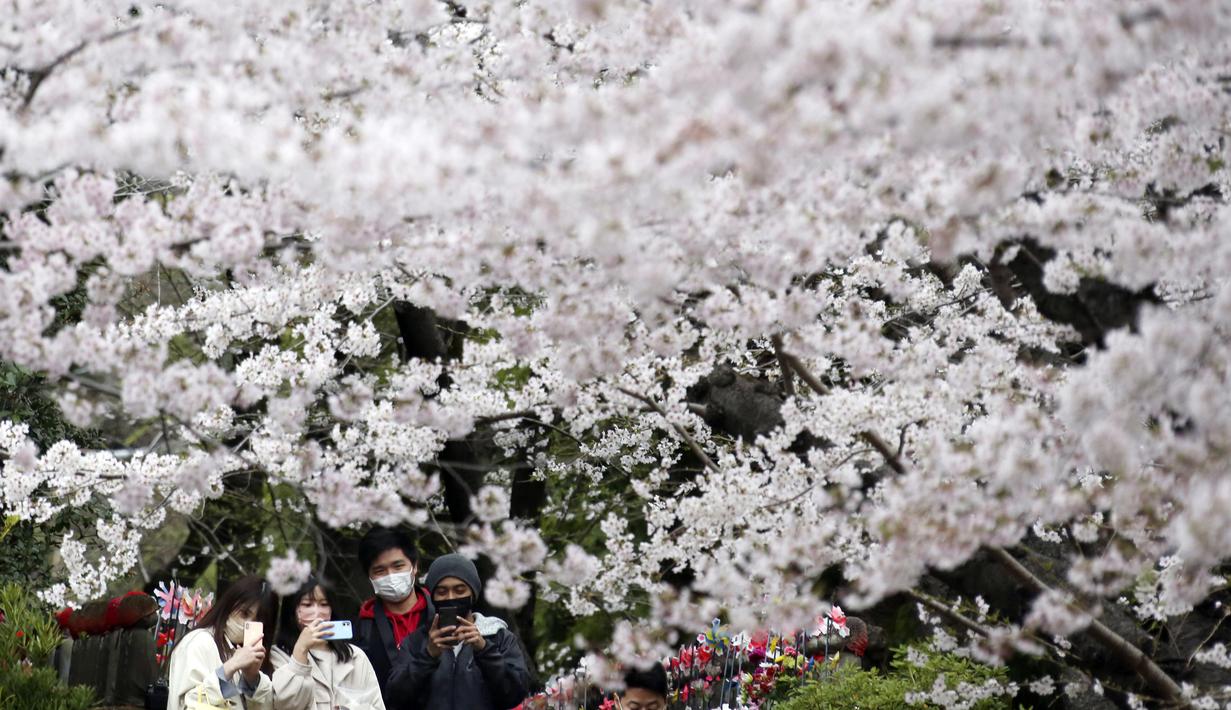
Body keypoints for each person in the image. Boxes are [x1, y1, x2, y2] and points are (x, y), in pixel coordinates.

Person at [386, 553, 531, 710]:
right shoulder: (417, 641)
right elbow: (395, 698)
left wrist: (484, 650)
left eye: (460, 590)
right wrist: (428, 656)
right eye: (442, 592)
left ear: (473, 594)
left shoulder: (500, 638)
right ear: (433, 596)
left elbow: (515, 693)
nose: (451, 597)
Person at [270, 576, 385, 710]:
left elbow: (377, 706)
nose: (317, 612)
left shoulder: (356, 656)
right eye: (307, 604)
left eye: (324, 604)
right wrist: (301, 649)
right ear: (291, 610)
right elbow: (287, 704)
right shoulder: (278, 656)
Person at [168, 575, 275, 710]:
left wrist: (252, 679)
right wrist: (229, 668)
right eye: (244, 613)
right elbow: (189, 705)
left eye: (258, 620)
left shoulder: (239, 651)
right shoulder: (199, 642)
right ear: (229, 605)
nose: (248, 624)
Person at [354, 527, 434, 699]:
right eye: (380, 570)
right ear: (369, 577)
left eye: (398, 566)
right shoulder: (361, 630)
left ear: (414, 567)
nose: (391, 576)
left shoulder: (440, 615)